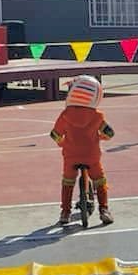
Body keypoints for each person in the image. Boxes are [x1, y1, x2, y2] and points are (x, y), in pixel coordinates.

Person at [51, 76, 115, 226]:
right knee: (100, 180)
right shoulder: (97, 116)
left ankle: (65, 212)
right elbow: (110, 133)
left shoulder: (65, 115)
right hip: (91, 155)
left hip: (70, 155)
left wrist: (63, 143)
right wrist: (100, 137)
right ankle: (104, 210)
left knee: (67, 181)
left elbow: (55, 134)